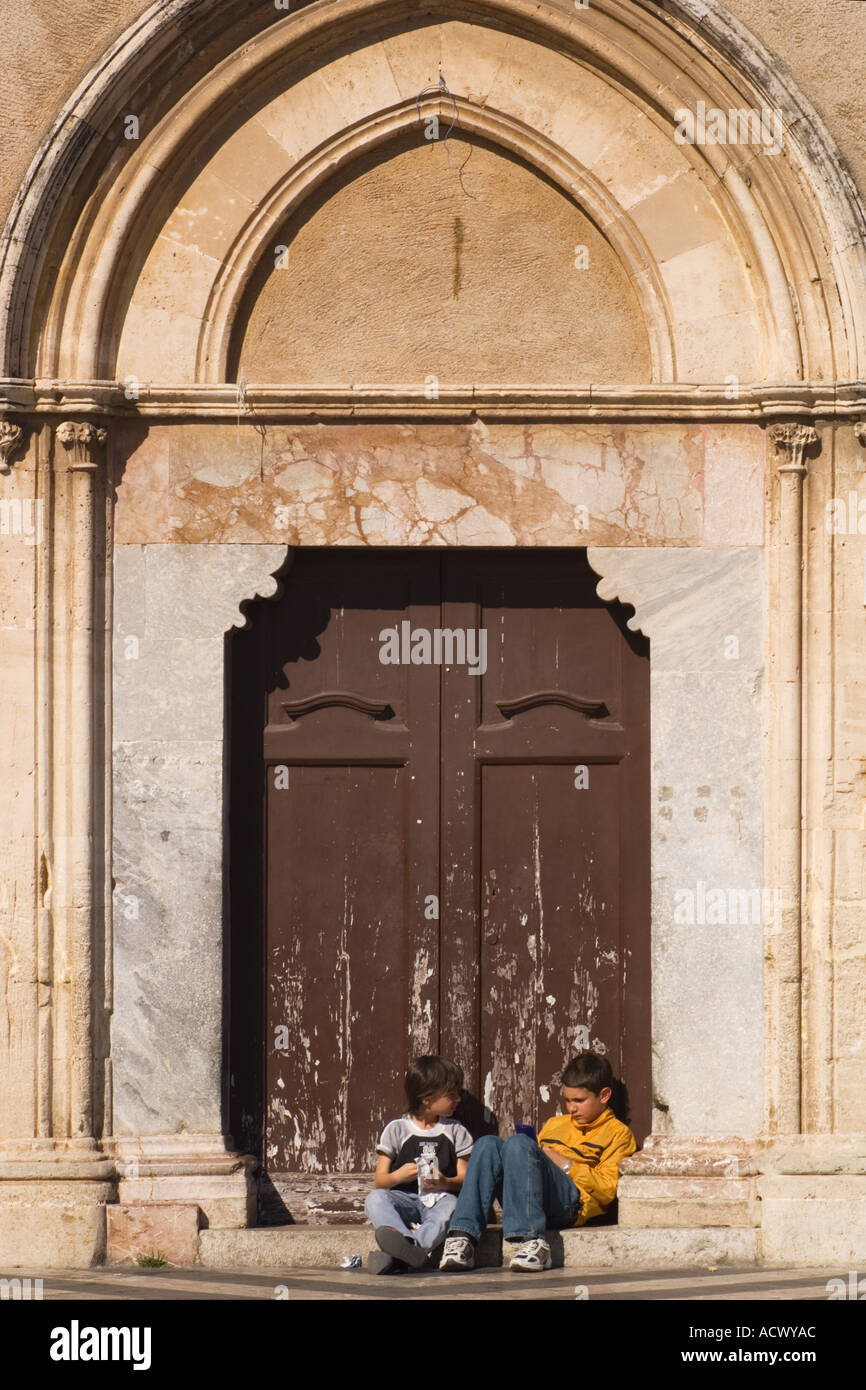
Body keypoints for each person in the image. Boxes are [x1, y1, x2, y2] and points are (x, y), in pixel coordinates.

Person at [439, 1052, 636, 1273]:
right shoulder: (555, 1124)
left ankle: (533, 1242)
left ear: (604, 1095)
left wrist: (566, 1165)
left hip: (571, 1204)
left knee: (519, 1143)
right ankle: (461, 1238)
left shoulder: (618, 1134)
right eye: (567, 1100)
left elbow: (607, 1190)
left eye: (579, 1101)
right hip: (531, 1198)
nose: (571, 1108)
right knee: (488, 1144)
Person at [364, 1055, 474, 1275]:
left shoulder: (455, 1130)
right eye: (451, 1095)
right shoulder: (397, 1129)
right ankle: (404, 1240)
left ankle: (408, 1251)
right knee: (374, 1200)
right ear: (427, 1099)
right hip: (405, 1199)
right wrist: (399, 1176)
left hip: (438, 1199)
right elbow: (380, 1181)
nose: (458, 1100)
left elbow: (465, 1180)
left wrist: (445, 1182)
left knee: (450, 1208)